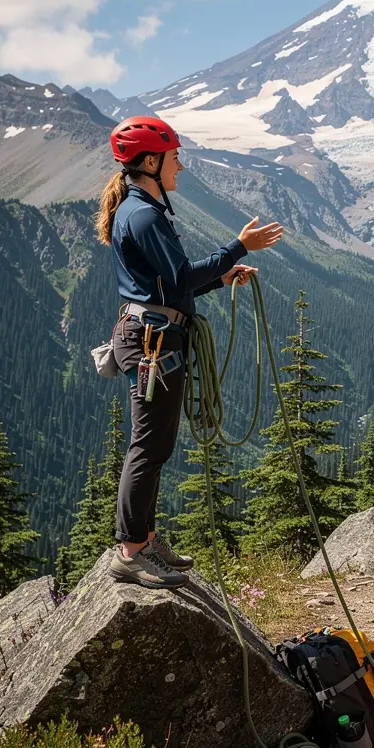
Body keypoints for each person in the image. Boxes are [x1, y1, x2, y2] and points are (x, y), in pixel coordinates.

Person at [97, 116, 282, 589]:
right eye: (175, 157)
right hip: (153, 344)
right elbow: (177, 278)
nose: (181, 166)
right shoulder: (142, 214)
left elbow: (167, 287)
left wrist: (220, 278)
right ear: (152, 161)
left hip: (154, 335)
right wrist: (238, 245)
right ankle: (131, 549)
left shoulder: (143, 210)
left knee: (155, 444)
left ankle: (144, 537)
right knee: (148, 446)